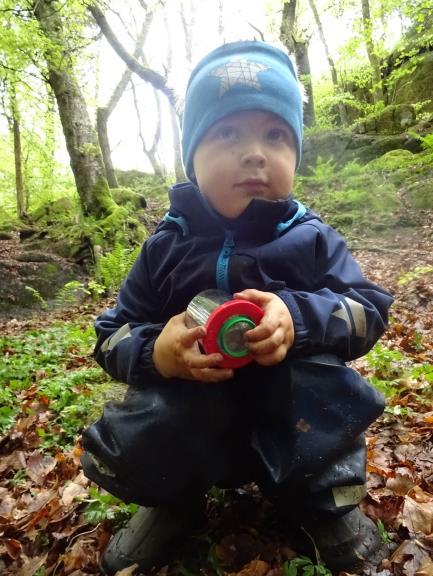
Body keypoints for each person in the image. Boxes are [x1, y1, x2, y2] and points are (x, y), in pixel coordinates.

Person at [81, 40, 393, 575]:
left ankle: (320, 501)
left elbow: (368, 308)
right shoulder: (164, 247)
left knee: (322, 385)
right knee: (147, 413)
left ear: (295, 153)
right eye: (228, 133)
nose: (255, 152)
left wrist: (296, 319)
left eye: (275, 135)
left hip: (292, 423)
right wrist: (157, 352)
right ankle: (171, 502)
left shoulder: (310, 237)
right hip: (195, 420)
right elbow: (111, 333)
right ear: (193, 156)